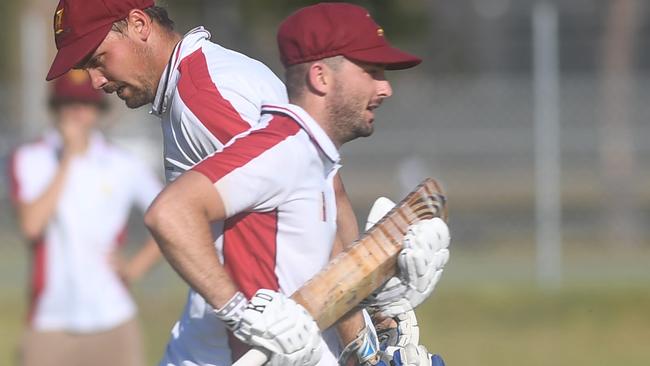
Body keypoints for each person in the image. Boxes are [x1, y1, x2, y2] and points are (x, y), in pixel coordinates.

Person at [144, 3, 450, 366]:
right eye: (370, 71)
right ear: (321, 77)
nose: (385, 88)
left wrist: (377, 311)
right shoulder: (283, 149)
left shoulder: (311, 157)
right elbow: (169, 213)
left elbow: (308, 281)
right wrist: (240, 312)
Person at [8, 70, 163, 366]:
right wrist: (69, 158)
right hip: (50, 321)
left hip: (113, 318)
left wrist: (134, 268)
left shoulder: (122, 163)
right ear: (55, 108)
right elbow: (31, 226)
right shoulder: (31, 158)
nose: (77, 113)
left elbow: (170, 214)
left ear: (98, 111)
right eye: (69, 104)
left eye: (86, 105)